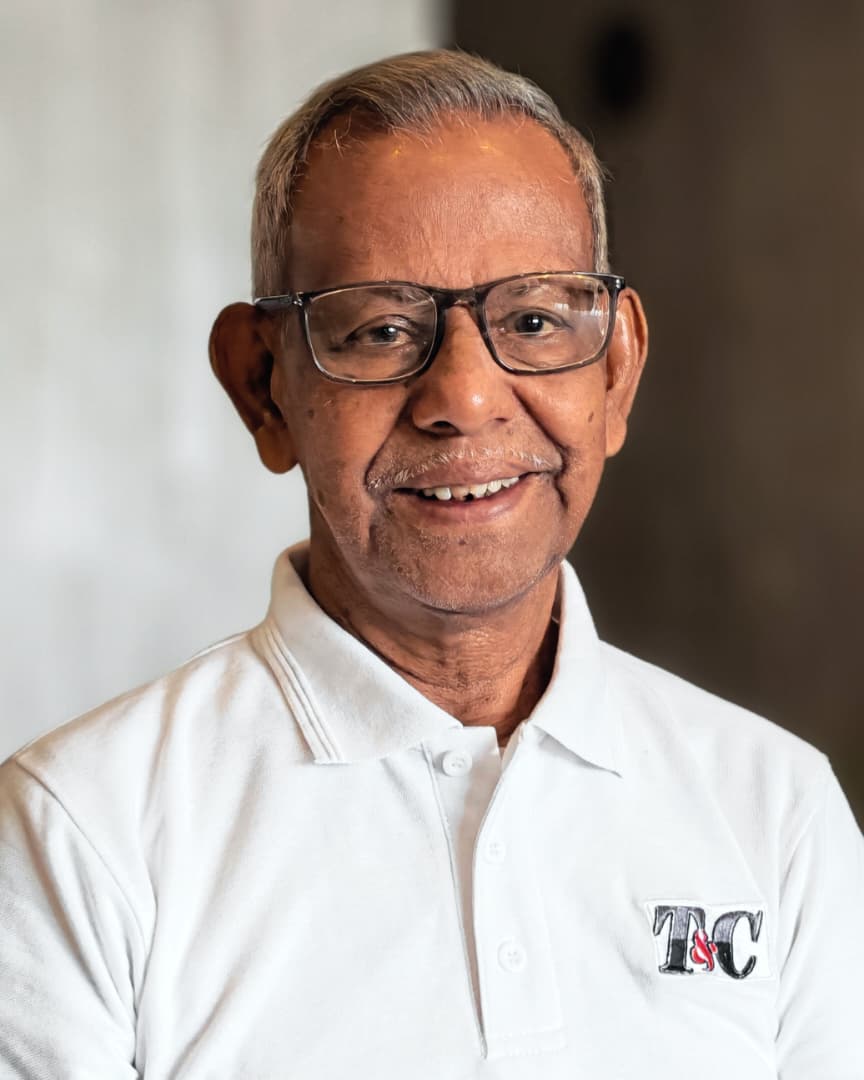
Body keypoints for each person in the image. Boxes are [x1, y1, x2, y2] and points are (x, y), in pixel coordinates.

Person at [1, 49, 861, 1080]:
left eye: (534, 321)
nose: (465, 397)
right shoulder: (80, 834)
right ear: (263, 388)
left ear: (618, 373)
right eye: (381, 330)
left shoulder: (776, 812)